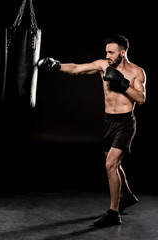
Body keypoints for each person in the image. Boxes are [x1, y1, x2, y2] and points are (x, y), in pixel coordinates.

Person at [38, 35, 146, 227]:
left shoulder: (137, 71)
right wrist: (56, 65)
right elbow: (77, 69)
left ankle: (114, 213)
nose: (107, 55)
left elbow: (141, 98)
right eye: (106, 52)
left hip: (125, 123)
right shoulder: (103, 65)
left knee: (110, 164)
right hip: (108, 121)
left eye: (111, 52)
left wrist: (122, 84)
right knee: (115, 164)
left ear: (123, 52)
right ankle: (127, 196)